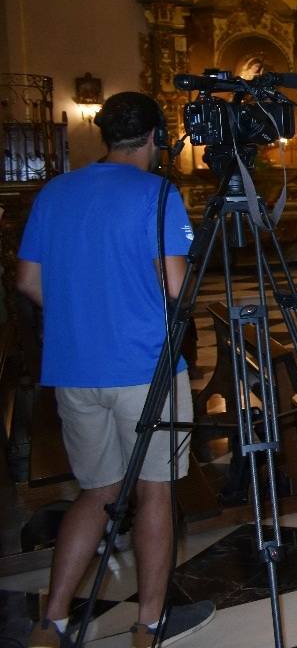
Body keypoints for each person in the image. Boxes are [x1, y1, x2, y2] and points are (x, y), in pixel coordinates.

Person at [18, 92, 215, 647]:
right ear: (155, 138)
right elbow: (175, 290)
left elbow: (29, 283)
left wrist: (86, 313)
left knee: (95, 492)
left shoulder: (54, 193)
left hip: (75, 369)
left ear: (105, 134)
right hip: (145, 369)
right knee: (155, 494)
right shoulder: (158, 194)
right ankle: (148, 626)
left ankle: (50, 622)